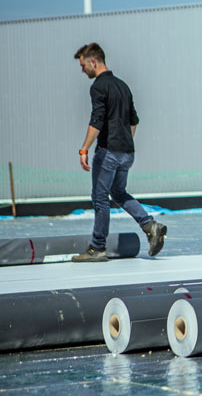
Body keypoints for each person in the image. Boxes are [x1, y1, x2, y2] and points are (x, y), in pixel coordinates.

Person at [73, 43, 166, 262]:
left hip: (108, 152)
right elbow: (134, 120)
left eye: (83, 65)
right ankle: (149, 225)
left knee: (100, 198)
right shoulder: (123, 86)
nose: (82, 70)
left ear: (93, 61)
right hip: (127, 152)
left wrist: (84, 149)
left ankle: (97, 248)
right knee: (119, 193)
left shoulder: (98, 86)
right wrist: (124, 141)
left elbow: (97, 120)